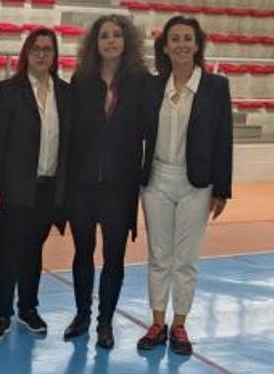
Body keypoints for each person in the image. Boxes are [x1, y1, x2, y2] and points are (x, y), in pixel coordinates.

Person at [137, 16, 234, 355]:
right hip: (157, 181)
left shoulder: (216, 87)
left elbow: (224, 139)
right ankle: (157, 321)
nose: (180, 44)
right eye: (174, 38)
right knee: (158, 257)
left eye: (186, 39)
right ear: (165, 46)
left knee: (187, 259)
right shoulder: (152, 86)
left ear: (197, 45)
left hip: (197, 184)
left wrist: (222, 188)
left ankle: (179, 325)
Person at [0, 26, 73, 342]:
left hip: (47, 190)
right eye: (36, 49)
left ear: (55, 55)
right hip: (12, 189)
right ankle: (1, 315)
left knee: (33, 252)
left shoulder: (66, 92)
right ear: (26, 54)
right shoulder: (7, 90)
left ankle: (28, 309)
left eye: (48, 49)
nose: (42, 54)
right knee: (6, 253)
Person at [64, 15, 148, 350]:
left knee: (114, 257)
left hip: (120, 186)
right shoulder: (81, 81)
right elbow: (69, 134)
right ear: (94, 43)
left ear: (126, 41)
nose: (110, 41)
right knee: (82, 252)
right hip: (82, 185)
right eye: (103, 36)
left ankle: (105, 322)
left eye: (116, 35)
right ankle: (82, 314)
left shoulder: (141, 82)